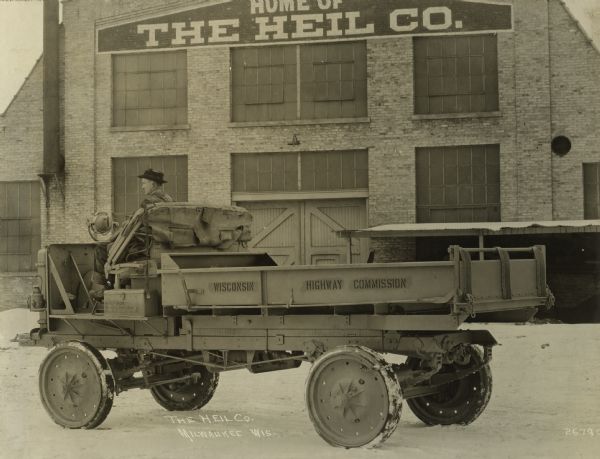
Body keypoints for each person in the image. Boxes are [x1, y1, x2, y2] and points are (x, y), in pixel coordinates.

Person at [90, 169, 173, 301]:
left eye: (144, 183)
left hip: (143, 245)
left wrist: (115, 235)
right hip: (158, 242)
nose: (142, 186)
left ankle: (106, 289)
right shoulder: (169, 200)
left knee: (101, 248)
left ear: (153, 184)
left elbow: (132, 225)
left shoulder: (149, 202)